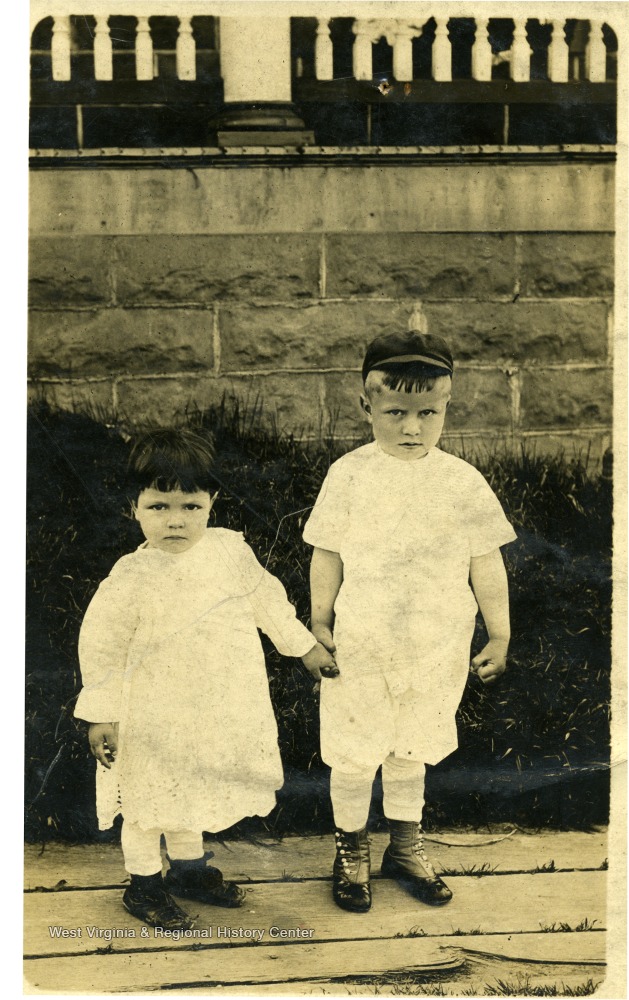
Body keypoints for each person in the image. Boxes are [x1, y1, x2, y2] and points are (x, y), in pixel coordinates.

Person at [75, 428, 337, 931]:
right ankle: (143, 882)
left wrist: (305, 648)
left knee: (193, 781)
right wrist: (101, 714)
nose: (175, 520)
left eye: (190, 506)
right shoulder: (131, 576)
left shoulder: (229, 553)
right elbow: (101, 648)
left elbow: (269, 603)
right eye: (158, 506)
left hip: (215, 702)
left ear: (212, 502)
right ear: (134, 508)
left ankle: (189, 869)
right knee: (150, 794)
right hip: (152, 710)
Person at [303, 324, 516, 913]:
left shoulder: (461, 481)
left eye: (428, 413)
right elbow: (327, 554)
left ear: (447, 406)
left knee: (411, 745)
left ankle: (404, 846)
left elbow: (485, 561)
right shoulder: (349, 474)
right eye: (395, 412)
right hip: (363, 640)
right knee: (353, 747)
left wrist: (499, 633)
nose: (411, 428)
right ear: (365, 404)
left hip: (434, 642)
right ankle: (351, 849)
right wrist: (319, 623)